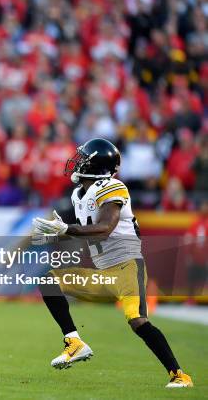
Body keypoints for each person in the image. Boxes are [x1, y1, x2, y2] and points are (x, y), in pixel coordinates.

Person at [32, 138, 193, 388]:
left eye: (83, 158)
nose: (77, 162)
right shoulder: (78, 194)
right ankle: (74, 342)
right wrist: (57, 233)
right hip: (104, 272)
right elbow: (87, 229)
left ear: (95, 165)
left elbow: (106, 228)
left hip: (127, 267)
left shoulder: (112, 187)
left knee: (137, 321)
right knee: (49, 281)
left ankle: (179, 375)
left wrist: (66, 228)